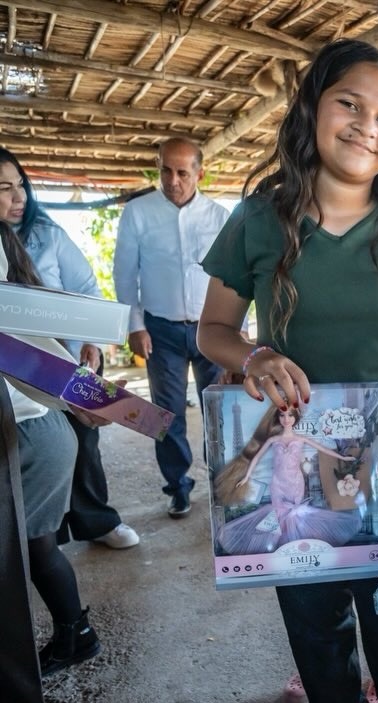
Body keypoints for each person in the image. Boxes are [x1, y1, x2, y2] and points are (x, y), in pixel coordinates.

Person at [196, 39, 378, 703]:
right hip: (292, 467)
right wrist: (254, 356)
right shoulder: (259, 218)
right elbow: (213, 331)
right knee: (320, 643)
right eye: (349, 103)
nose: (366, 127)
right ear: (312, 107)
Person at [0, 148, 139, 550]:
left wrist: (90, 349)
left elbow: (85, 293)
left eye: (20, 184)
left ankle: (93, 522)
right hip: (34, 376)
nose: (19, 196)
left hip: (62, 363)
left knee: (80, 446)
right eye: (6, 188)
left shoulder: (48, 235)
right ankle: (46, 538)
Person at [1, 224, 100, 676]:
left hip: (32, 430)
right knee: (34, 547)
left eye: (10, 187)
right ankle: (74, 634)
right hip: (35, 429)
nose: (11, 197)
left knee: (32, 547)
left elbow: (32, 354)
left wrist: (93, 398)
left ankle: (74, 635)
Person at [113, 137, 229, 519]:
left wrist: (238, 331)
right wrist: (134, 325)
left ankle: (224, 486)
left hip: (213, 327)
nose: (173, 180)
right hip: (160, 329)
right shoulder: (138, 212)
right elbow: (125, 273)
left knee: (220, 408)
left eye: (182, 172)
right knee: (165, 414)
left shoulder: (218, 216)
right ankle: (178, 488)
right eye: (166, 169)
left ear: (200, 173)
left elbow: (233, 278)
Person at [214, 406, 361, 555]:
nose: (286, 419)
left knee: (296, 514)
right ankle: (278, 549)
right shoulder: (273, 439)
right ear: (278, 418)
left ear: (295, 417)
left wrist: (342, 457)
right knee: (277, 514)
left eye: (290, 415)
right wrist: (246, 476)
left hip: (295, 482)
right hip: (277, 482)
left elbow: (323, 449)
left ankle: (299, 549)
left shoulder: (300, 439)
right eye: (282, 415)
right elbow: (256, 456)